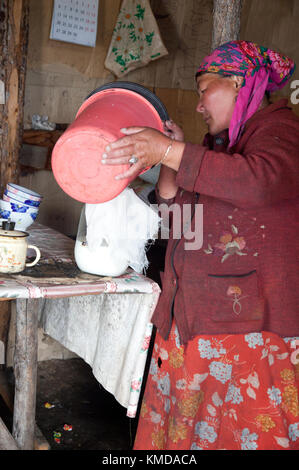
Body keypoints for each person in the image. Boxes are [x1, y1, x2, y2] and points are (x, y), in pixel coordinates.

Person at [101, 41, 299, 450]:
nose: (199, 106)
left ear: (240, 84)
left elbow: (259, 181)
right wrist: (170, 161)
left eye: (204, 90)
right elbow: (181, 224)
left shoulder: (282, 130)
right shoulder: (220, 145)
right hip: (194, 319)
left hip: (248, 330)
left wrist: (172, 150)